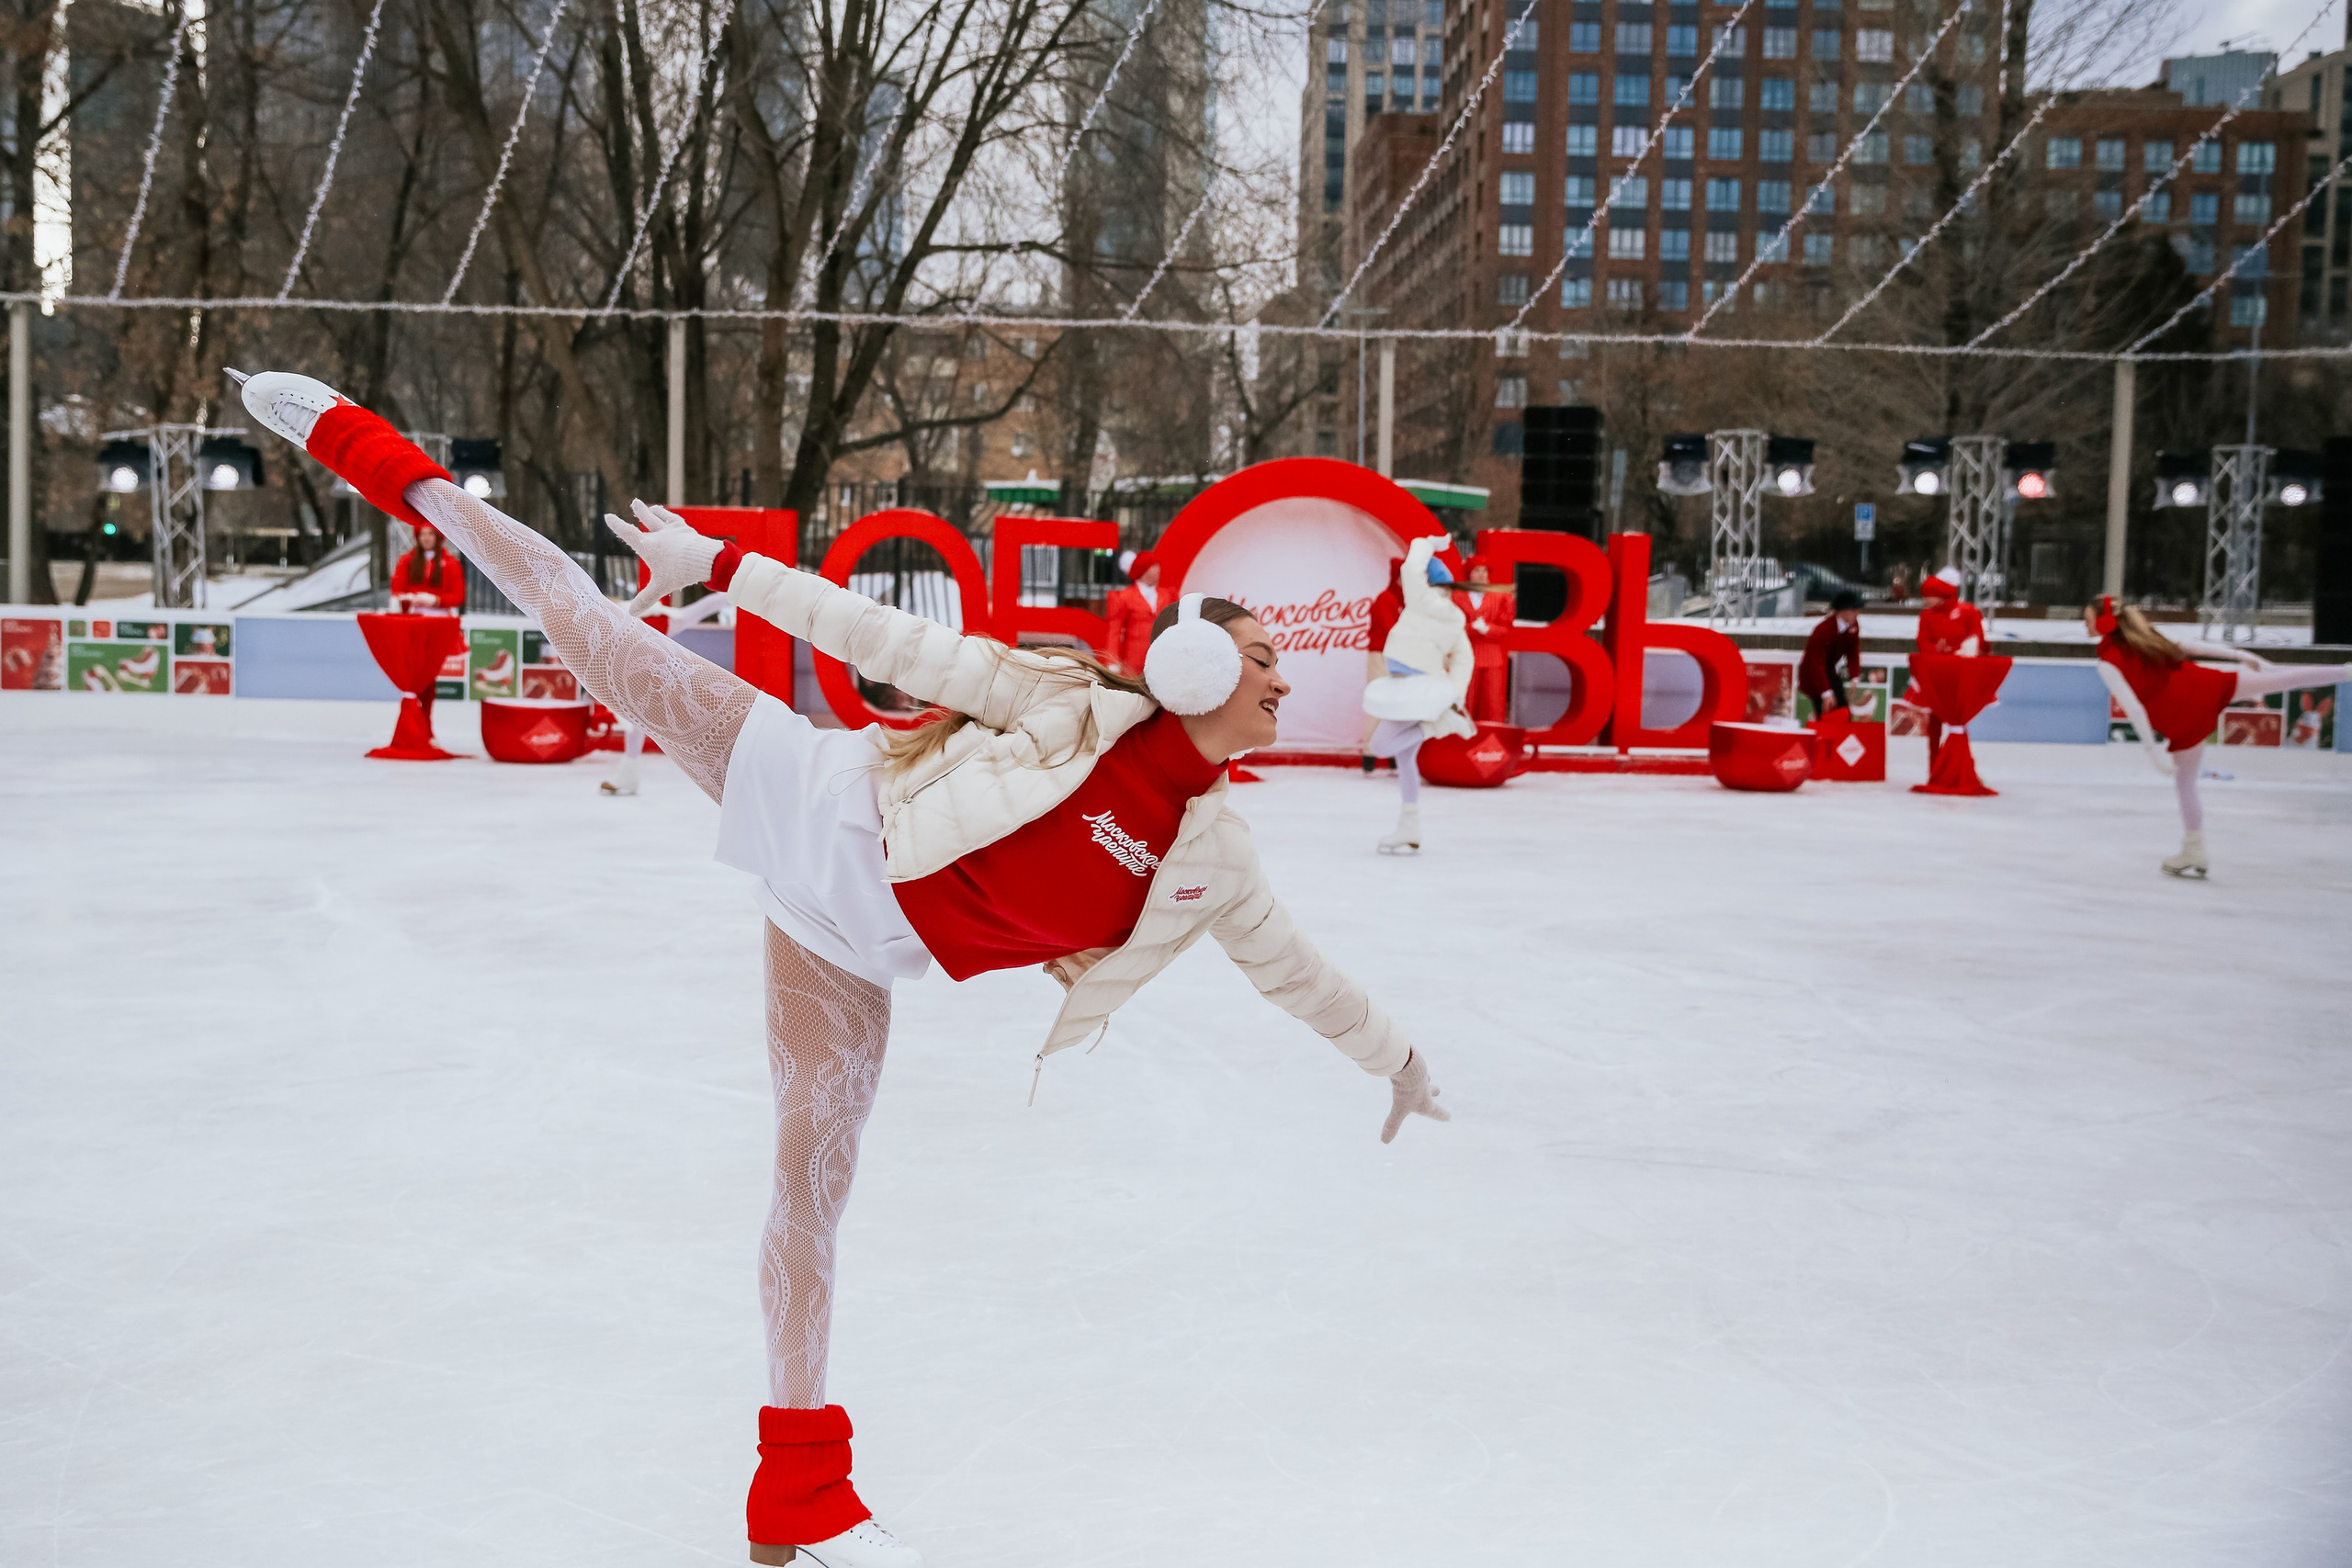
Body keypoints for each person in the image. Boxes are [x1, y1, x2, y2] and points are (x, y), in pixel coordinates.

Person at [232, 368, 1452, 1568]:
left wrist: (1394, 1059)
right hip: (811, 789)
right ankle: (369, 448)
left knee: (813, 1177)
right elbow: (889, 637)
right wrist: (723, 568)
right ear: (1195, 669)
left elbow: (1296, 970)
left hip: (853, 940)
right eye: (1261, 657)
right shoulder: (1069, 702)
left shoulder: (1214, 852)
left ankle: (795, 1497)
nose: (1287, 676)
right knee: (582, 618)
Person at [2087, 595, 2352, 877]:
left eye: (2088, 620)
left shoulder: (2108, 662)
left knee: (2185, 783)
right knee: (2285, 678)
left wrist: (2153, 752)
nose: (2084, 626)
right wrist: (2240, 655)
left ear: (2105, 624)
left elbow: (2135, 709)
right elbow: (2190, 647)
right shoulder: (2145, 638)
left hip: (2180, 718)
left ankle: (2194, 847)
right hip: (2203, 687)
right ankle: (2346, 671)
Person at [1362, 536, 1476, 853]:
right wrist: (1455, 695)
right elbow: (1465, 658)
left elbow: (1411, 567)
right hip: (1417, 685)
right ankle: (1409, 825)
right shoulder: (1454, 616)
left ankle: (1437, 725)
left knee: (1382, 744)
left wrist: (1426, 544)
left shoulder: (1422, 599)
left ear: (1429, 581)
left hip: (1412, 686)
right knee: (1405, 756)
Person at [1905, 566, 1984, 761]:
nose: (1925, 601)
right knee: (1934, 718)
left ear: (1940, 596)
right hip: (1937, 673)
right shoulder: (1927, 616)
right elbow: (1923, 641)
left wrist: (1957, 651)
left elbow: (1976, 639)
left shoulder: (1968, 612)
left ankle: (1959, 762)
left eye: (1928, 596)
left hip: (1959, 673)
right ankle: (1934, 762)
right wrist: (1937, 650)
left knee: (1959, 719)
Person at [1360, 557, 1406, 773]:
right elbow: (1391, 632)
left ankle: (1391, 754)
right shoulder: (1386, 600)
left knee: (1396, 707)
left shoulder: (1401, 601)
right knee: (1379, 705)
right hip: (1382, 656)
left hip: (1397, 657)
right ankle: (1370, 754)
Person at [1461, 563, 1515, 723]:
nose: (1482, 574)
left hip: (1491, 656)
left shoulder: (1500, 597)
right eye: (1477, 570)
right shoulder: (1458, 596)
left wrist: (1488, 629)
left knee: (1492, 703)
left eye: (1485, 570)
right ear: (1469, 574)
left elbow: (1506, 626)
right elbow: (1449, 625)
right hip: (1466, 655)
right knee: (1466, 701)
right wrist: (1470, 628)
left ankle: (1491, 739)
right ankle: (1462, 738)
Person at [1799, 589, 1865, 716]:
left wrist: (1855, 675)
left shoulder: (1853, 626)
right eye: (1854, 610)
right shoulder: (1823, 630)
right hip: (1813, 675)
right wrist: (1826, 693)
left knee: (1843, 710)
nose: (1858, 613)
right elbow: (1816, 664)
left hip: (1829, 671)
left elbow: (1853, 651)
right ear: (1842, 611)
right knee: (1827, 712)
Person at [1102, 550, 1162, 675]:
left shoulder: (1165, 596)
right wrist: (1112, 660)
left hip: (1159, 661)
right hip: (1133, 664)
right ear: (1144, 570)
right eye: (1154, 566)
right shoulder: (1125, 597)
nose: (1158, 570)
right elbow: (1115, 631)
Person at [389, 521, 466, 611]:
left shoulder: (451, 563)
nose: (426, 538)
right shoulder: (406, 561)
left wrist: (436, 600)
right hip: (413, 613)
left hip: (440, 615)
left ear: (437, 537)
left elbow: (458, 596)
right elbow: (397, 589)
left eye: (430, 534)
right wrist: (409, 598)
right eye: (423, 534)